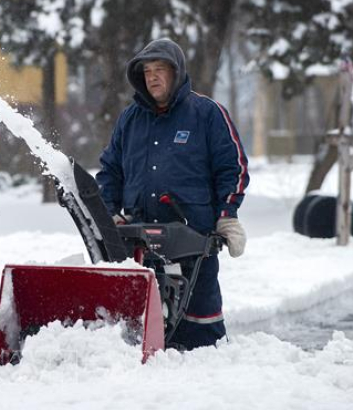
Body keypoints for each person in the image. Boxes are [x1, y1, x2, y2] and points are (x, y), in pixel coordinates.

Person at [96, 38, 250, 351]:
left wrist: (227, 216)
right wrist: (109, 211)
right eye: (147, 71)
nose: (152, 77)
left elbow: (232, 168)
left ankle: (207, 376)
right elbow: (110, 171)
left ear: (176, 73)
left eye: (160, 69)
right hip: (139, 242)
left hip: (194, 241)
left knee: (201, 330)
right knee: (141, 325)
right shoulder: (130, 120)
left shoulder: (206, 114)